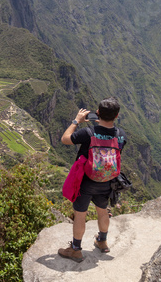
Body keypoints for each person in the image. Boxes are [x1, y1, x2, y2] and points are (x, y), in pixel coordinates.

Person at [58, 97, 127, 262]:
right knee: (102, 211)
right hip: (107, 181)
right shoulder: (120, 135)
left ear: (97, 113)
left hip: (86, 181)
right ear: (116, 116)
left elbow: (65, 139)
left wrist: (76, 121)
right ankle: (102, 242)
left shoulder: (88, 133)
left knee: (80, 214)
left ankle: (75, 249)